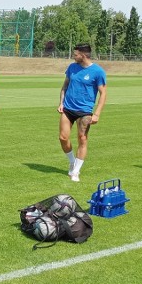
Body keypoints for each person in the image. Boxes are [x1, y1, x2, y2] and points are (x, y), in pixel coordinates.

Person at [57, 44, 107, 182]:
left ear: (83, 55)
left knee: (82, 139)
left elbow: (103, 93)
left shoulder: (98, 71)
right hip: (68, 108)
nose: (74, 56)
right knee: (63, 138)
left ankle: (76, 171)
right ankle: (72, 161)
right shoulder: (72, 67)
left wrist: (96, 113)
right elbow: (65, 86)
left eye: (76, 54)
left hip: (85, 111)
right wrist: (61, 102)